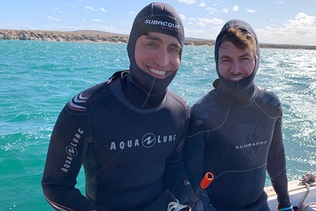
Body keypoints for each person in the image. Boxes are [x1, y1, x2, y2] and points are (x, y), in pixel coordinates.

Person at [42, 2, 208, 211]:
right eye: (151, 43)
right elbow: (56, 186)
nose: (162, 59)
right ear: (131, 46)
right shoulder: (85, 109)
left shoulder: (180, 110)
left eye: (173, 48)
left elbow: (172, 162)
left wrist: (186, 193)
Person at [184, 19, 293, 211]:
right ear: (217, 61)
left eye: (244, 58)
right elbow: (192, 174)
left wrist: (284, 204)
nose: (235, 69)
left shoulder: (270, 105)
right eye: (226, 60)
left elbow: (276, 159)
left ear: (256, 59)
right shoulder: (203, 112)